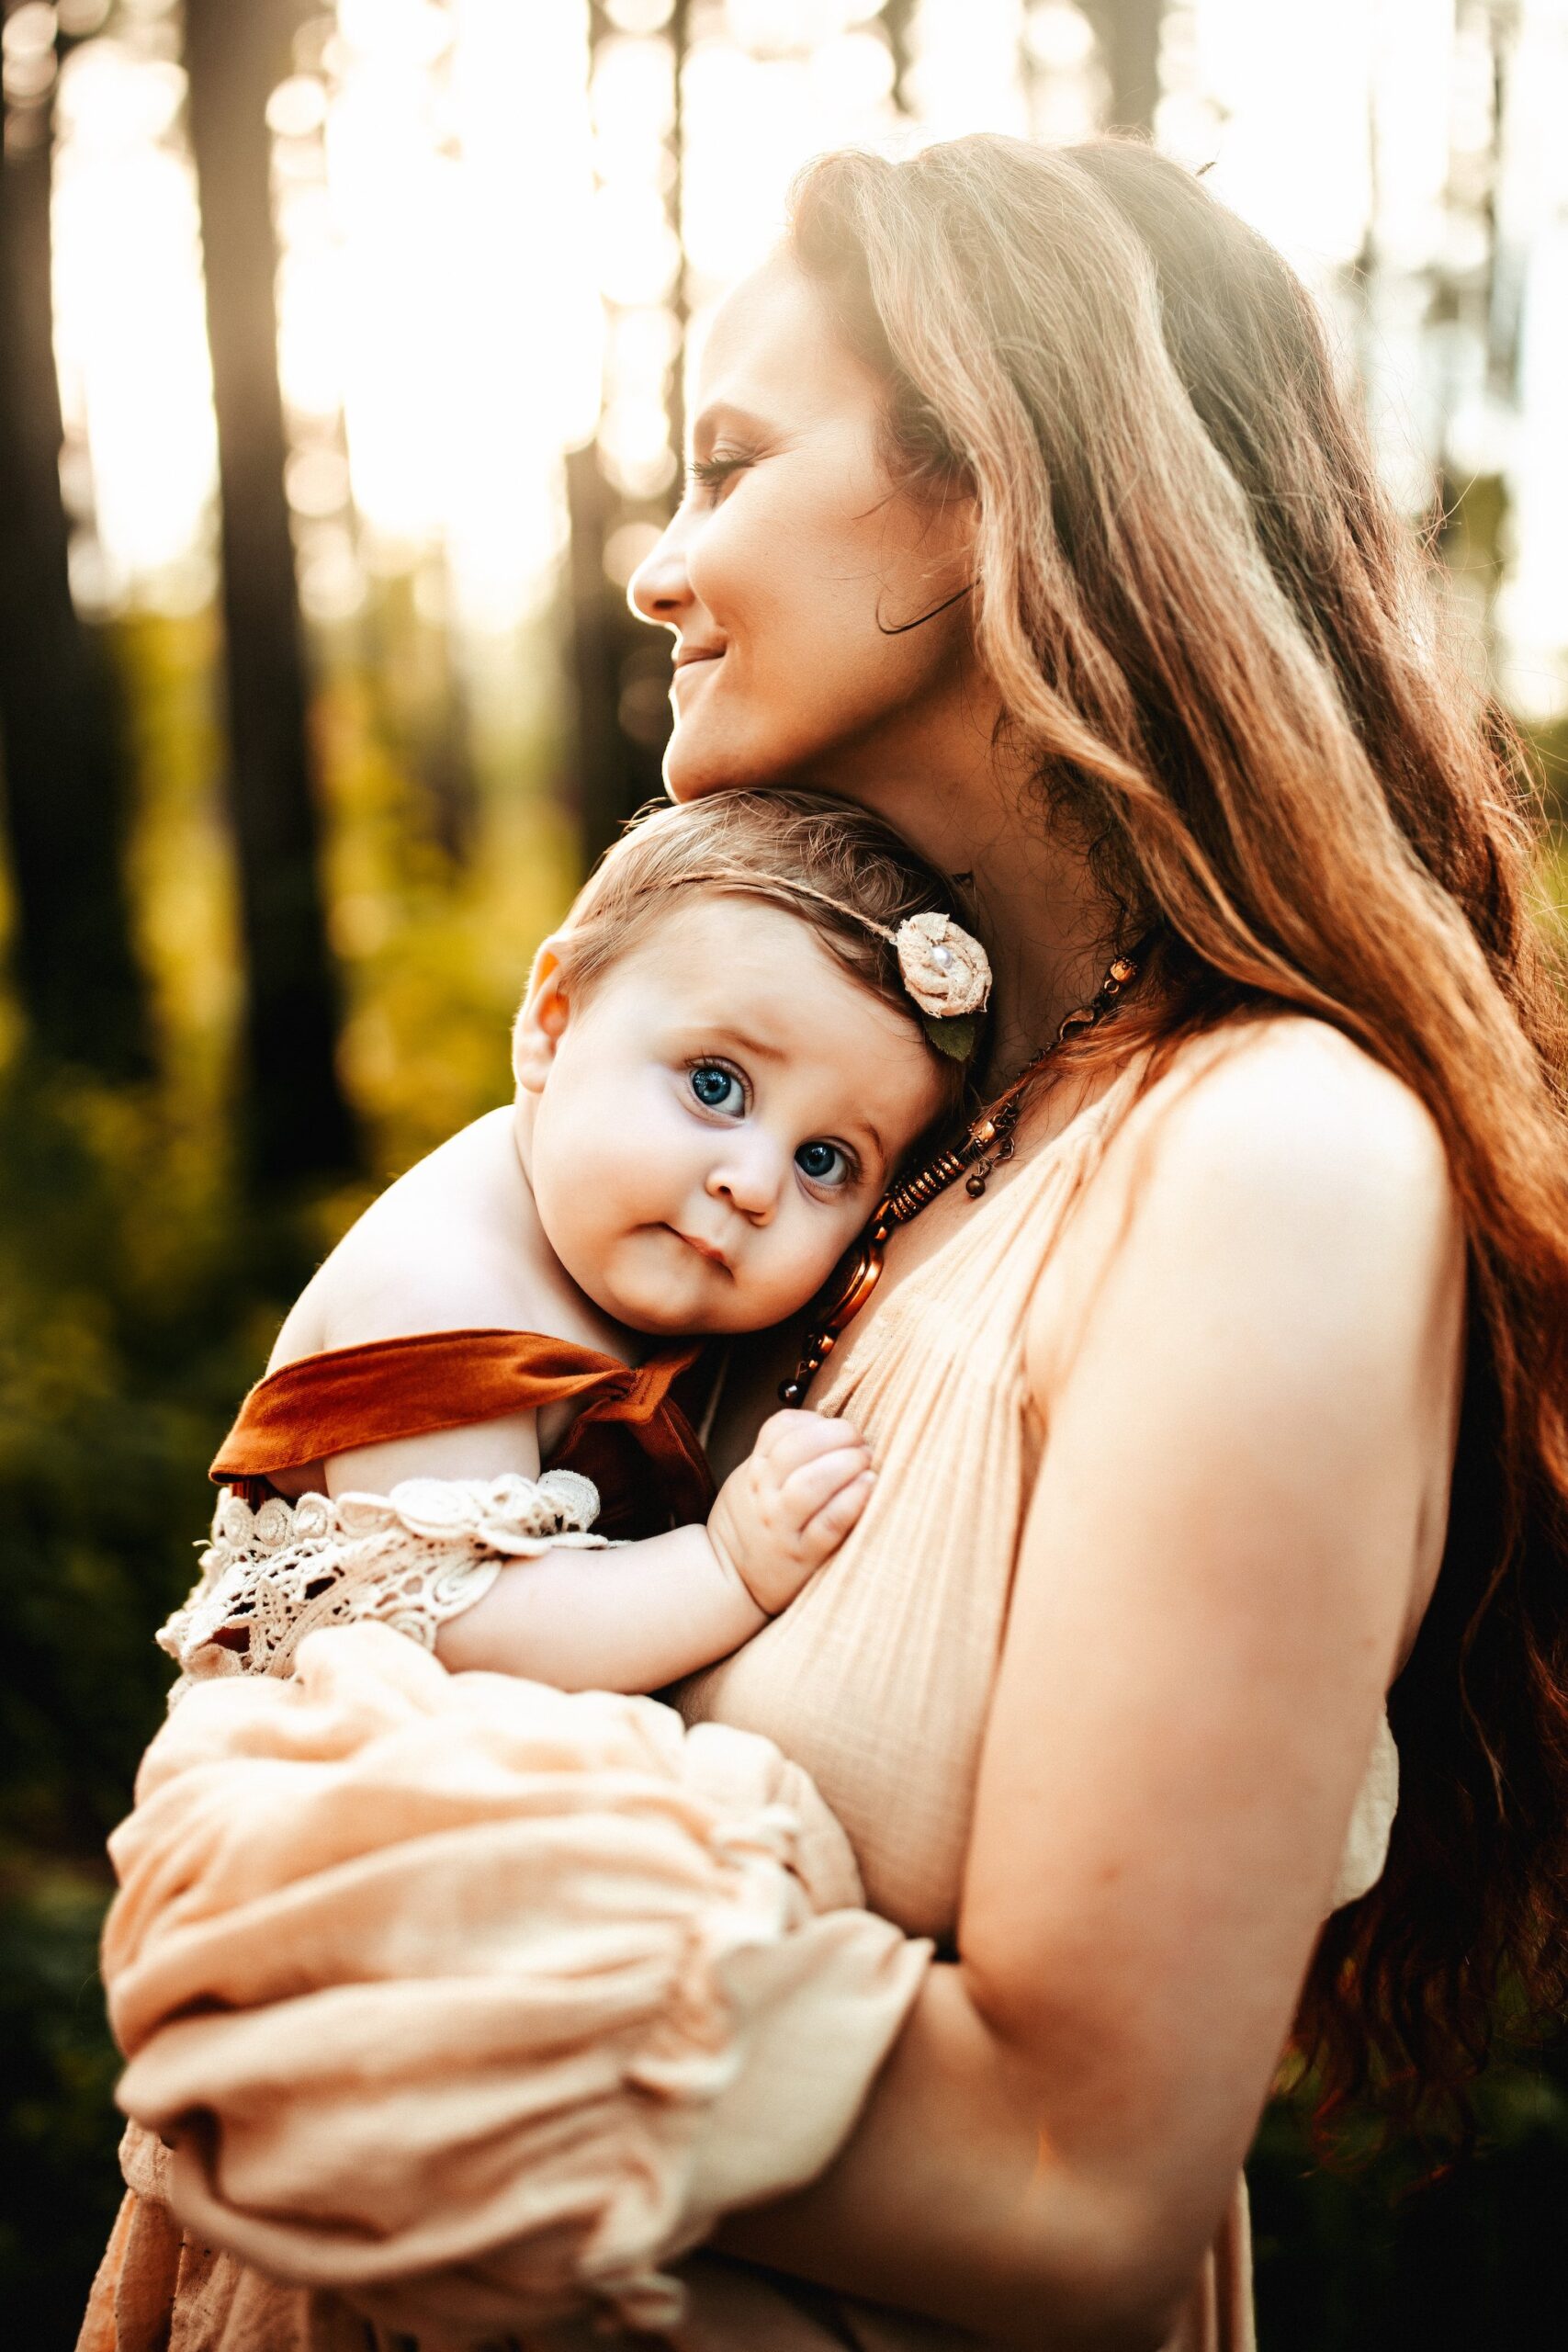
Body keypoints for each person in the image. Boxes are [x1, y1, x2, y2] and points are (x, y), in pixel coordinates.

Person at [85, 133, 1568, 2352]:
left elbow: (1074, 2191)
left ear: (999, 485)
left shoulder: (1265, 1155)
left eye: (726, 459)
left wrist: (357, 1946)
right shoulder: (891, 1146)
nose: (658, 561)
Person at [155, 789, 983, 1700]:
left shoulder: (605, 1232)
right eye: (716, 1084)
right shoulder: (436, 1289)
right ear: (552, 1024)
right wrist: (730, 1568)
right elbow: (457, 1638)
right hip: (339, 1761)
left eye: (824, 1160)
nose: (751, 1184)